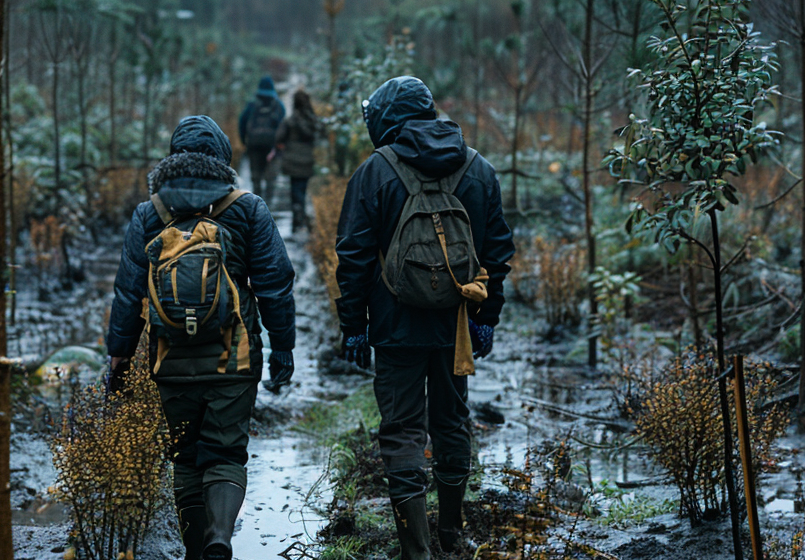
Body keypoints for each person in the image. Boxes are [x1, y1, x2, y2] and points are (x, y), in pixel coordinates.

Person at [335, 76, 515, 559]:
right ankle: (453, 533)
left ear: (386, 120)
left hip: (394, 325)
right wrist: (486, 317)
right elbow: (497, 253)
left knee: (402, 429)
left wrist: (353, 325)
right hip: (456, 324)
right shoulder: (477, 168)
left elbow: (351, 256)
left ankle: (417, 550)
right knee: (453, 420)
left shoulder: (374, 172)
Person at [105, 115, 296, 560]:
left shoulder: (149, 213)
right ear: (224, 160)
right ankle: (220, 538)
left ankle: (195, 550)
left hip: (169, 359)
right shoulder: (248, 208)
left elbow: (128, 293)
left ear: (172, 158)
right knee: (226, 452)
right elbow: (275, 283)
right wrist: (283, 345)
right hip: (236, 357)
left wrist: (118, 357)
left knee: (186, 457)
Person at [273, 89, 321, 232]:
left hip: (292, 160)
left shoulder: (290, 120)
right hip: (307, 159)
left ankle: (298, 217)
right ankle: (301, 215)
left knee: (295, 190)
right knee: (303, 188)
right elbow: (319, 137)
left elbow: (279, 138)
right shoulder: (312, 121)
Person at [238, 76, 285, 203]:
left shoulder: (252, 105)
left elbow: (242, 123)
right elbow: (284, 126)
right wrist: (281, 144)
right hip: (272, 148)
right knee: (271, 180)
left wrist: (244, 141)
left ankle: (257, 206)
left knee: (256, 178)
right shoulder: (278, 105)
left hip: (254, 146)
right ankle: (268, 206)